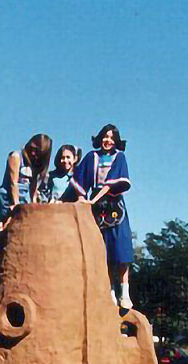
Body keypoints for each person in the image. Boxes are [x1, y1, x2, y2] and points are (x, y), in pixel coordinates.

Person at [71, 124, 134, 309]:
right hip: (96, 208)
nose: (108, 140)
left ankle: (125, 292)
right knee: (101, 250)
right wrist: (83, 198)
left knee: (121, 248)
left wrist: (93, 200)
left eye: (112, 137)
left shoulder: (119, 157)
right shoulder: (92, 156)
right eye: (105, 137)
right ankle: (110, 290)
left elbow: (111, 184)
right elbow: (78, 180)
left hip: (115, 205)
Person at [0, 134, 53, 225]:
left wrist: (34, 203)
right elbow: (13, 183)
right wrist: (16, 205)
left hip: (23, 198)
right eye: (32, 148)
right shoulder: (16, 156)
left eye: (37, 152)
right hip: (8, 197)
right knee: (7, 226)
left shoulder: (35, 163)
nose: (33, 153)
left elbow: (33, 185)